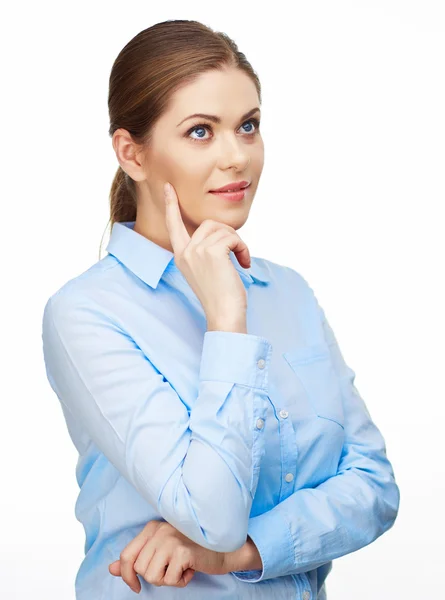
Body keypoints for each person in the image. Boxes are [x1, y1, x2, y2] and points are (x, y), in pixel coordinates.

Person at [41, 18, 400, 599]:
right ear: (132, 152)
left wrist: (244, 551)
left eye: (248, 126)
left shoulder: (289, 292)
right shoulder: (86, 313)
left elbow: (375, 487)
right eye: (201, 132)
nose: (237, 157)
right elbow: (211, 514)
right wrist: (226, 322)